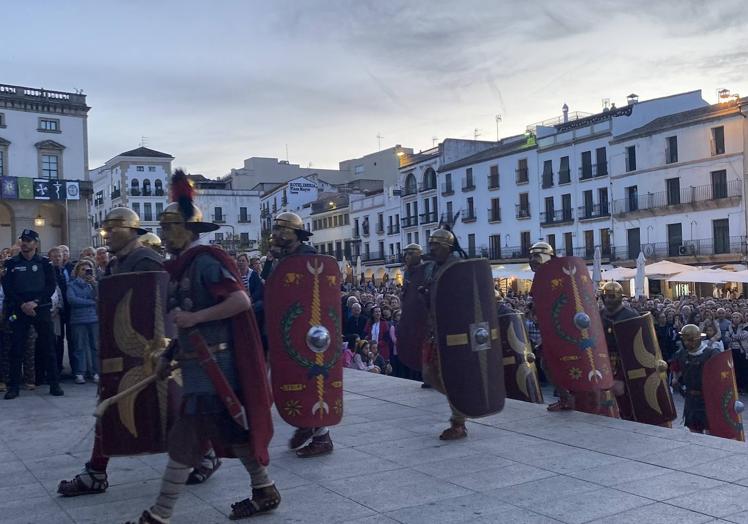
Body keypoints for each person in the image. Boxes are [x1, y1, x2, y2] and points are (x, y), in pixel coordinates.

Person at [127, 171, 278, 523]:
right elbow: (186, 322)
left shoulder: (206, 262)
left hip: (217, 368)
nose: (163, 235)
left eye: (169, 227)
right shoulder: (180, 269)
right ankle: (265, 489)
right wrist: (169, 355)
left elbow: (240, 301)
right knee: (234, 434)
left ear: (189, 229)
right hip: (198, 366)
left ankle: (160, 513)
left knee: (184, 439)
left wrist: (195, 320)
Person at [58, 207, 219, 498]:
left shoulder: (148, 261)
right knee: (112, 405)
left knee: (174, 406)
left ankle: (206, 453)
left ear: (132, 231)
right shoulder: (117, 263)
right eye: (105, 230)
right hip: (129, 353)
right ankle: (96, 471)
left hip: (157, 351)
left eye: (113, 229)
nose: (106, 235)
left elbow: (164, 304)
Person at [265, 211, 334, 459]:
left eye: (281, 229)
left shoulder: (308, 259)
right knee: (294, 379)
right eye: (275, 229)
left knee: (309, 381)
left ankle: (322, 436)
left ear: (294, 233)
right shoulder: (282, 258)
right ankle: (306, 423)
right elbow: (271, 290)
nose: (275, 233)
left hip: (305, 331)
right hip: (285, 329)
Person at [420, 228, 469, 440]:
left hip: (455, 330)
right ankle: (461, 406)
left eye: (436, 246)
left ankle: (458, 422)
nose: (432, 249)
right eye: (431, 245)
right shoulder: (438, 268)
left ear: (448, 247)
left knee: (452, 376)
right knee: (430, 373)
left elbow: (463, 298)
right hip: (439, 328)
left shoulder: (456, 267)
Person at [1, 229, 62, 400]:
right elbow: (8, 288)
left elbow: (50, 286)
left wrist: (35, 302)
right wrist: (22, 304)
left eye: (28, 240)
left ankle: (54, 384)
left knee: (48, 347)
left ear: (36, 243)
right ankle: (14, 387)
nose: (25, 243)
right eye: (23, 240)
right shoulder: (12, 263)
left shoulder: (45, 263)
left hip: (40, 308)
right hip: (19, 310)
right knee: (16, 348)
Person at [599, 281, 638, 421]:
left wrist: (621, 376)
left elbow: (635, 350)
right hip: (603, 360)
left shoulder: (630, 317)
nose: (608, 299)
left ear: (620, 297)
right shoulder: (600, 315)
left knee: (622, 394)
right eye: (606, 296)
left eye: (612, 296)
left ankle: (628, 418)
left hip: (625, 362)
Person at [671, 324, 720, 434]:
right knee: (693, 429)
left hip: (707, 399)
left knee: (710, 429)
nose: (687, 343)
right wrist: (675, 378)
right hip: (690, 399)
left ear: (699, 339)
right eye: (685, 340)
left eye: (690, 340)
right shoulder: (681, 353)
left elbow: (720, 376)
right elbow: (676, 367)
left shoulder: (711, 354)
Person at [67, 259, 99, 384]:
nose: (86, 272)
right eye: (83, 269)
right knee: (79, 347)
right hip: (78, 319)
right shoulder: (72, 284)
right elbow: (72, 300)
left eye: (88, 269)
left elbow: (100, 296)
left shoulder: (93, 284)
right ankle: (80, 372)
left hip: (93, 318)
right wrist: (91, 302)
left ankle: (96, 372)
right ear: (78, 271)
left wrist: (94, 284)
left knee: (95, 347)